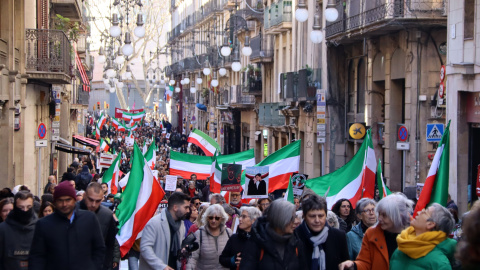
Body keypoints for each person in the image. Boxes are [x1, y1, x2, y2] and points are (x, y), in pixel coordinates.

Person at [29, 181, 106, 270]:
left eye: (68, 200)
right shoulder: (43, 224)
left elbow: (99, 249)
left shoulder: (89, 219)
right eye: (60, 200)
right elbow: (37, 256)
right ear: (55, 202)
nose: (64, 204)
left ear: (74, 199)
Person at [338, 193, 413, 270]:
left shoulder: (417, 234)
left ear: (397, 216)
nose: (379, 218)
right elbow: (365, 262)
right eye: (379, 214)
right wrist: (354, 265)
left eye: (384, 215)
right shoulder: (371, 234)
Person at [240, 200, 303, 270]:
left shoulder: (296, 242)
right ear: (281, 219)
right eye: (291, 219)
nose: (294, 222)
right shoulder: (257, 242)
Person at [389, 203, 456, 269]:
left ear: (430, 224)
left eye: (424, 212)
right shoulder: (401, 247)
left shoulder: (439, 264)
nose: (418, 212)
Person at [295, 195, 349, 270]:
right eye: (312, 216)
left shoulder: (339, 236)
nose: (317, 220)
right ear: (304, 216)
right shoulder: (294, 236)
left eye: (321, 216)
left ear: (326, 215)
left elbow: (345, 264)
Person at [139, 192, 190, 270]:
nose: (188, 211)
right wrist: (161, 266)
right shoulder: (154, 223)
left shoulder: (181, 225)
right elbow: (145, 248)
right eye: (185, 207)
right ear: (175, 207)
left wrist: (184, 249)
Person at [78, 182, 119, 270]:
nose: (93, 204)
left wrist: (105, 265)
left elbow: (110, 244)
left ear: (102, 199)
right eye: (91, 200)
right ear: (85, 195)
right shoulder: (72, 212)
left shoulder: (107, 215)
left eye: (97, 201)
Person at [186, 204, 233, 270]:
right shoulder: (199, 233)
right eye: (211, 217)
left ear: (222, 219)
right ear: (207, 218)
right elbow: (193, 257)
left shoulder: (229, 233)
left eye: (217, 218)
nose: (213, 221)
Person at [0, 191, 38, 269]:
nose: (25, 210)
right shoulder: (2, 229)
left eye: (28, 207)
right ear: (15, 207)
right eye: (21, 207)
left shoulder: (40, 228)